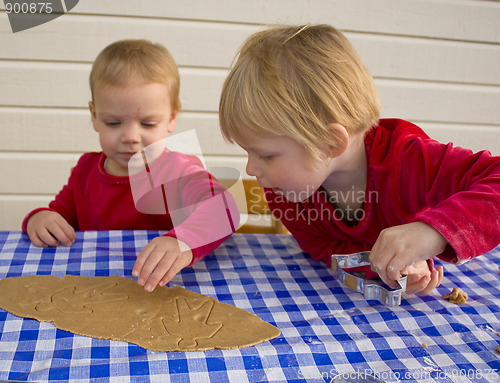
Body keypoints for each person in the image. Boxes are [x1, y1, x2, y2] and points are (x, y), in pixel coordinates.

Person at [219, 24, 500, 295]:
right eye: (249, 152)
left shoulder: (411, 160)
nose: (251, 168)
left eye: (266, 155)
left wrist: (433, 232)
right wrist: (387, 266)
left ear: (330, 142)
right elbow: (321, 246)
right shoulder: (285, 192)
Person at [23, 39, 238, 292]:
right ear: (94, 116)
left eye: (147, 124)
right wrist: (38, 218)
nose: (131, 137)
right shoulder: (84, 171)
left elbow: (224, 208)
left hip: (159, 289)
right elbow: (59, 217)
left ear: (171, 118)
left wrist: (183, 241)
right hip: (94, 288)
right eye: (114, 123)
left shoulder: (178, 171)